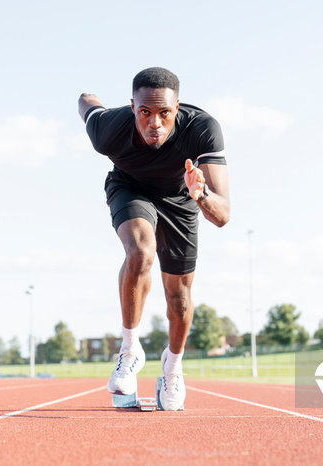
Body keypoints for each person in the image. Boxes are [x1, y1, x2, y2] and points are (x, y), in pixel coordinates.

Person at [78, 67, 230, 410]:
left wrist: (201, 194)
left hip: (183, 198)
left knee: (179, 299)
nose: (155, 123)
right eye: (145, 112)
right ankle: (130, 349)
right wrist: (88, 92)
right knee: (140, 252)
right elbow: (86, 102)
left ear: (178, 108)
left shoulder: (203, 129)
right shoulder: (108, 131)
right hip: (130, 187)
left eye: (165, 113)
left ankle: (172, 367)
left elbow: (223, 216)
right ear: (132, 107)